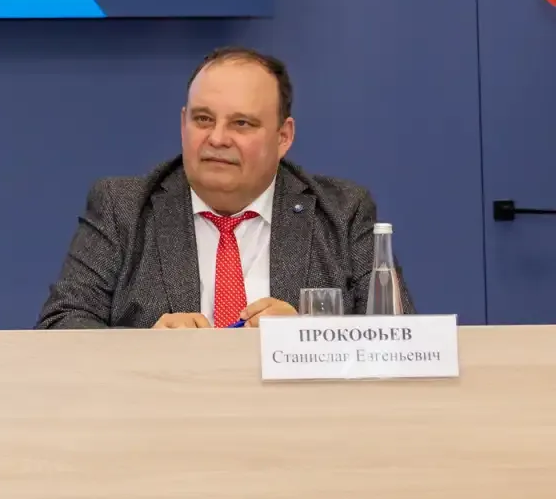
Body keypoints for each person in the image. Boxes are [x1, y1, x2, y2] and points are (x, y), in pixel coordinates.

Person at [38, 47, 411, 329]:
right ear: (183, 124)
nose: (217, 138)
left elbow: (400, 338)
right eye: (203, 119)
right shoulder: (122, 208)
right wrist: (146, 347)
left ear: (283, 137)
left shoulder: (343, 212)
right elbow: (61, 326)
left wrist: (307, 338)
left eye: (241, 124)